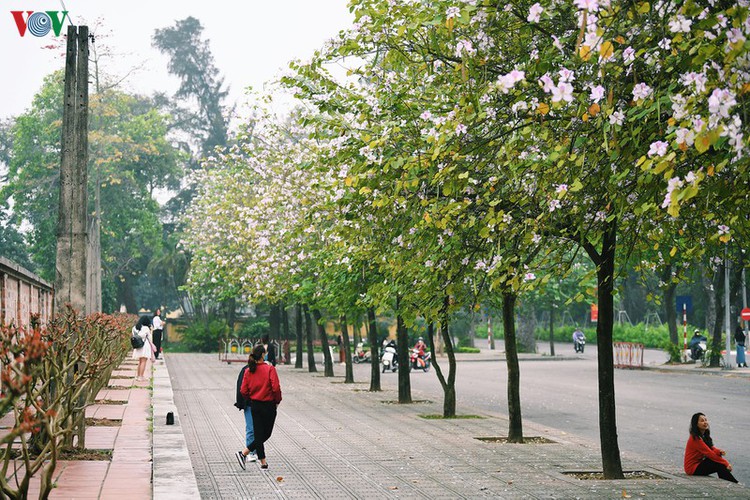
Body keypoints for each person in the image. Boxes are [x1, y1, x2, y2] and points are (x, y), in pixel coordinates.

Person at [239, 345, 282, 469]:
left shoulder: (249, 371)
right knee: (266, 433)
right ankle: (245, 453)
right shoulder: (270, 369)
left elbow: (243, 390)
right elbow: (276, 388)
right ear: (263, 355)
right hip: (269, 405)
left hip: (255, 405)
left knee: (259, 433)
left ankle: (259, 460)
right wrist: (277, 400)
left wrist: (250, 398)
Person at [684, 412, 738, 482]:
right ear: (696, 424)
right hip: (692, 468)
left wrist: (719, 451)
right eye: (702, 421)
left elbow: (711, 448)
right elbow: (709, 453)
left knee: (719, 461)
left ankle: (728, 481)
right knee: (719, 464)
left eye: (706, 420)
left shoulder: (703, 436)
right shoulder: (695, 438)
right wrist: (726, 463)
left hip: (698, 464)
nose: (705, 422)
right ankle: (733, 482)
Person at [233, 361, 257, 469]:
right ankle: (250, 453)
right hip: (250, 403)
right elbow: (241, 388)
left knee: (259, 429)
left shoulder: (264, 369)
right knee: (251, 428)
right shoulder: (246, 370)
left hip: (259, 403)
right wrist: (242, 403)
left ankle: (252, 451)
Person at [132, 315, 153, 381]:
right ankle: (141, 376)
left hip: (138, 345)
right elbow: (150, 338)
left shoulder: (134, 328)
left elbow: (134, 336)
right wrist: (151, 331)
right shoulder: (146, 328)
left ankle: (138, 376)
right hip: (144, 345)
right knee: (143, 361)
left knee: (140, 361)